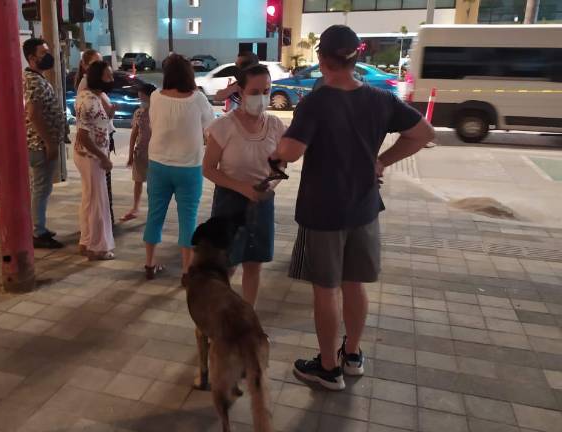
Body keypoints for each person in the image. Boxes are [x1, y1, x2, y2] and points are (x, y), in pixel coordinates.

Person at [272, 25, 435, 390]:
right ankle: (352, 355)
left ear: (322, 59)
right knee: (354, 283)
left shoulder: (316, 102)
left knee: (325, 288)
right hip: (364, 207)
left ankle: (328, 368)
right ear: (356, 57)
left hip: (322, 210)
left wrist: (278, 148)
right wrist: (382, 161)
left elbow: (290, 152)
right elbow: (424, 133)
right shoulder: (380, 99)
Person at [203, 64, 287, 307]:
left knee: (254, 264)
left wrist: (270, 186)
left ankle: (248, 316)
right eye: (254, 92)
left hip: (261, 203)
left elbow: (280, 165)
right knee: (226, 265)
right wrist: (242, 188)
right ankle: (218, 318)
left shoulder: (275, 125)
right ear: (240, 91)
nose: (262, 97)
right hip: (229, 204)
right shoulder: (223, 126)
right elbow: (208, 169)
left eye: (266, 91)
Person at [144, 54, 214, 282]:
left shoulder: (155, 96)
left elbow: (154, 124)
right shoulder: (198, 99)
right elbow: (210, 128)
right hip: (189, 167)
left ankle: (149, 264)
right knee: (188, 219)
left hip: (158, 164)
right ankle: (186, 271)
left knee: (155, 215)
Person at [22, 38, 64, 249]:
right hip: (40, 145)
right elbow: (33, 113)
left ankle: (39, 227)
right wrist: (50, 143)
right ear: (32, 58)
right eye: (43, 53)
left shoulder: (36, 78)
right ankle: (37, 232)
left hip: (40, 144)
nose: (48, 56)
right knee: (41, 189)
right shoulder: (34, 81)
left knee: (41, 189)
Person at [74, 61, 117, 260]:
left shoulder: (89, 96)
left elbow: (96, 125)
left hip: (88, 156)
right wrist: (103, 158)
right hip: (91, 157)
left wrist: (109, 114)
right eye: (108, 76)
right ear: (98, 77)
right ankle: (97, 247)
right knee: (98, 202)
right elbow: (83, 136)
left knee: (90, 200)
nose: (112, 79)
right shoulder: (90, 101)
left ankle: (86, 241)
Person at [122, 83, 157, 222]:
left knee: (153, 183)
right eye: (139, 97)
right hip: (140, 152)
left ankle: (153, 209)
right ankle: (135, 208)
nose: (140, 100)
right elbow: (134, 134)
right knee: (138, 180)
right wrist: (131, 154)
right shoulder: (139, 113)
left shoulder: (158, 113)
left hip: (155, 153)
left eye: (142, 97)